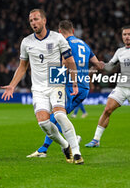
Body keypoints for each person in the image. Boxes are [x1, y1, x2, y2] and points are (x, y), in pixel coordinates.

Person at [1, 10, 84, 164]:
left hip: (56, 81)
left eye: (36, 19)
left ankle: (77, 153)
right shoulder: (26, 42)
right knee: (43, 123)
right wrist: (12, 85)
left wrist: (74, 82)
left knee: (59, 115)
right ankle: (66, 146)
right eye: (31, 20)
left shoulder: (57, 38)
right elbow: (22, 67)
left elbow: (70, 60)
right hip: (38, 87)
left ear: (44, 20)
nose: (33, 22)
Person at [27, 19, 103, 158]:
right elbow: (98, 65)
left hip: (69, 85)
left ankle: (46, 149)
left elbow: (64, 63)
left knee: (55, 116)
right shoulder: (84, 44)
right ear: (73, 31)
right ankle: (49, 147)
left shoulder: (63, 43)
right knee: (58, 117)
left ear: (60, 32)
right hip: (84, 88)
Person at [85, 25, 130, 148]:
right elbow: (109, 67)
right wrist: (99, 66)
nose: (127, 37)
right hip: (122, 87)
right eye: (124, 34)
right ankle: (96, 140)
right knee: (107, 109)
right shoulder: (120, 51)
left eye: (129, 34)